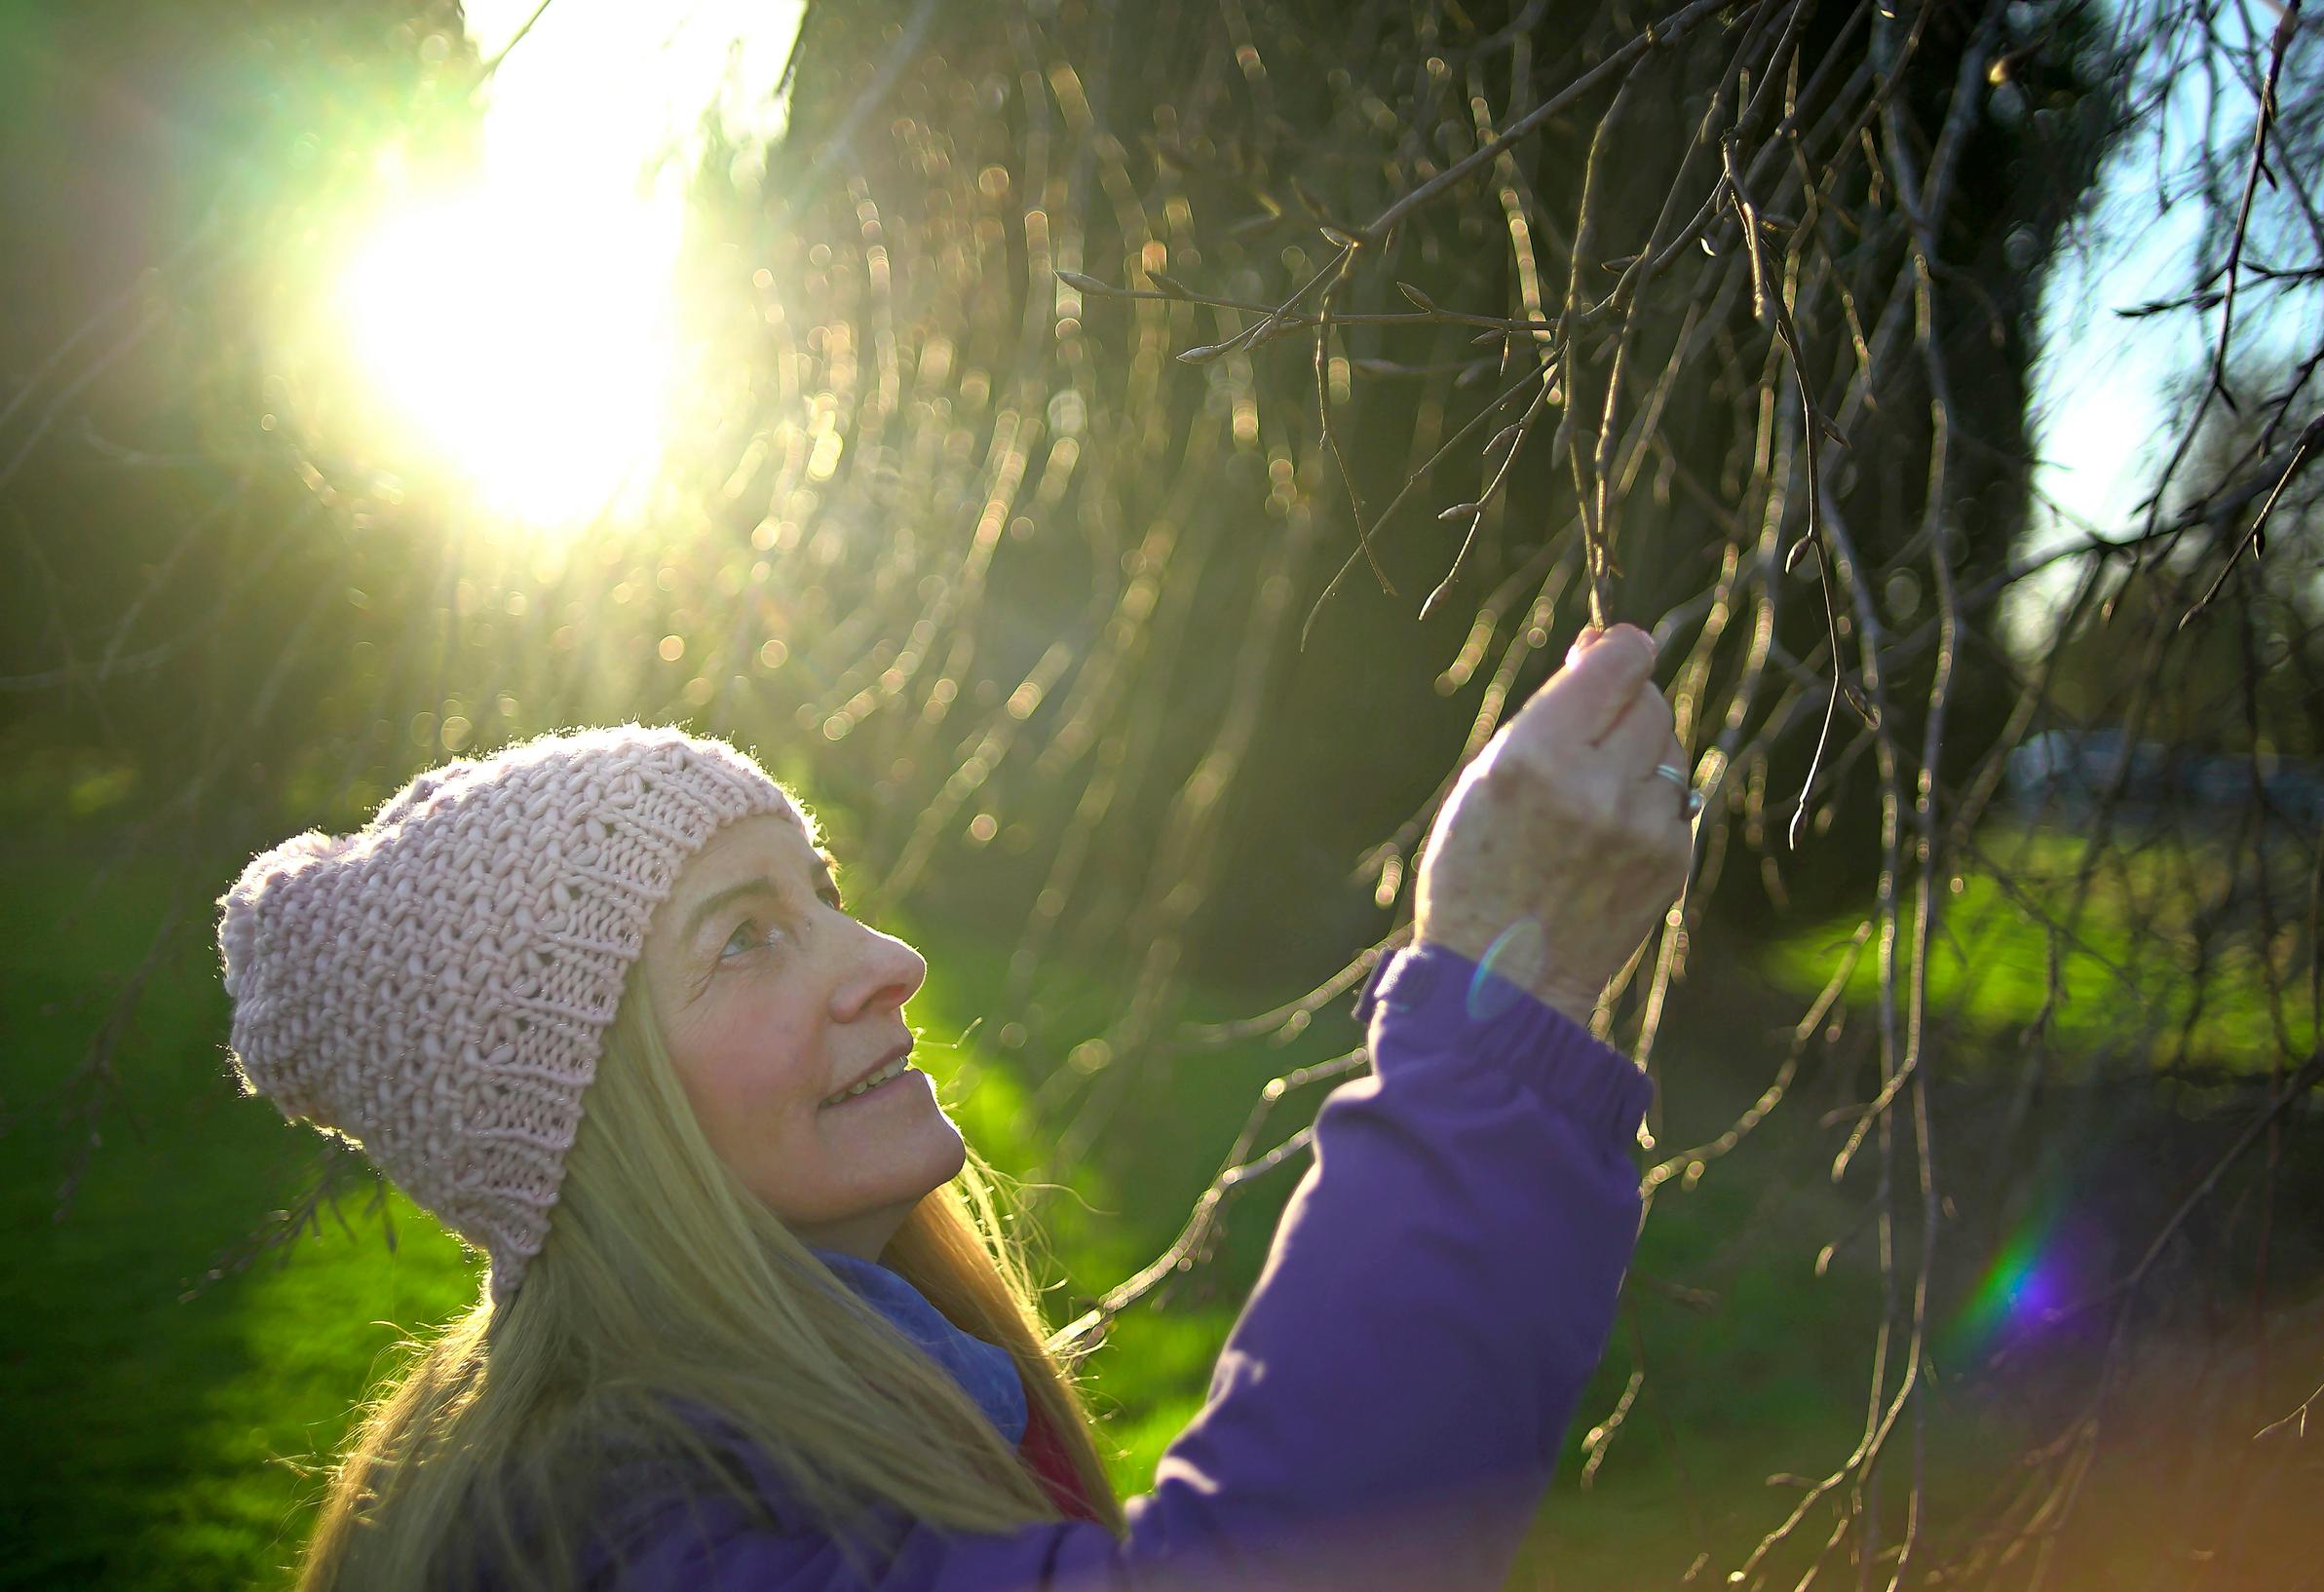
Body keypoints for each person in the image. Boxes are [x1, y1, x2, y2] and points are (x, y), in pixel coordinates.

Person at [215, 623, 1695, 1591]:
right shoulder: (613, 1536)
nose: (889, 963)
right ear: (593, 1123)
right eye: (744, 936)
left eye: (827, 894)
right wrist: (1497, 1020)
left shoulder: (836, 1401)